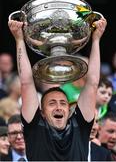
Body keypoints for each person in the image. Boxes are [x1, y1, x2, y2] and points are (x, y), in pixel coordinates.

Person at [8, 15, 107, 161]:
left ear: (69, 110)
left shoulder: (80, 126)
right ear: (41, 113)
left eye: (63, 103)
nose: (59, 107)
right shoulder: (35, 128)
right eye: (52, 103)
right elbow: (27, 83)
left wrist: (96, 39)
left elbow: (92, 83)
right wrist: (19, 40)